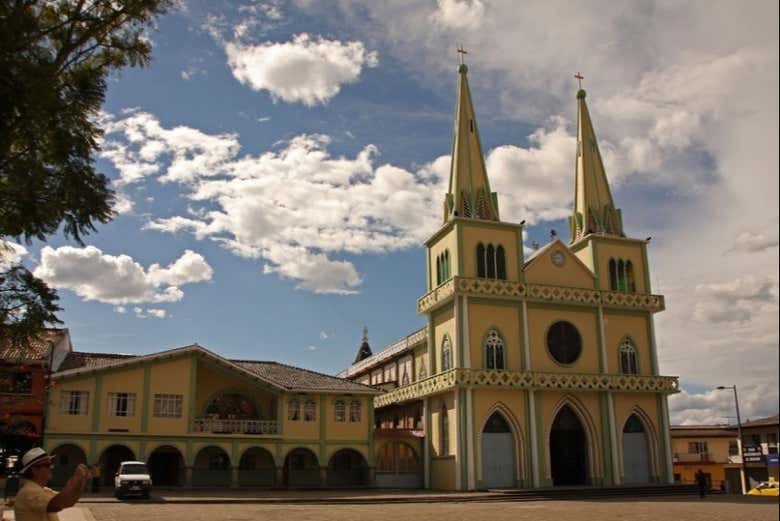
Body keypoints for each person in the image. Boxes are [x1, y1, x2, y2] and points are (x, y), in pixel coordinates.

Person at [13, 447, 90, 521]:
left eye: (51, 464)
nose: (51, 467)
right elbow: (58, 504)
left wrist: (81, 481)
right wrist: (76, 478)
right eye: (47, 465)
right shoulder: (29, 491)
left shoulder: (42, 490)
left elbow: (68, 501)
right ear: (34, 470)